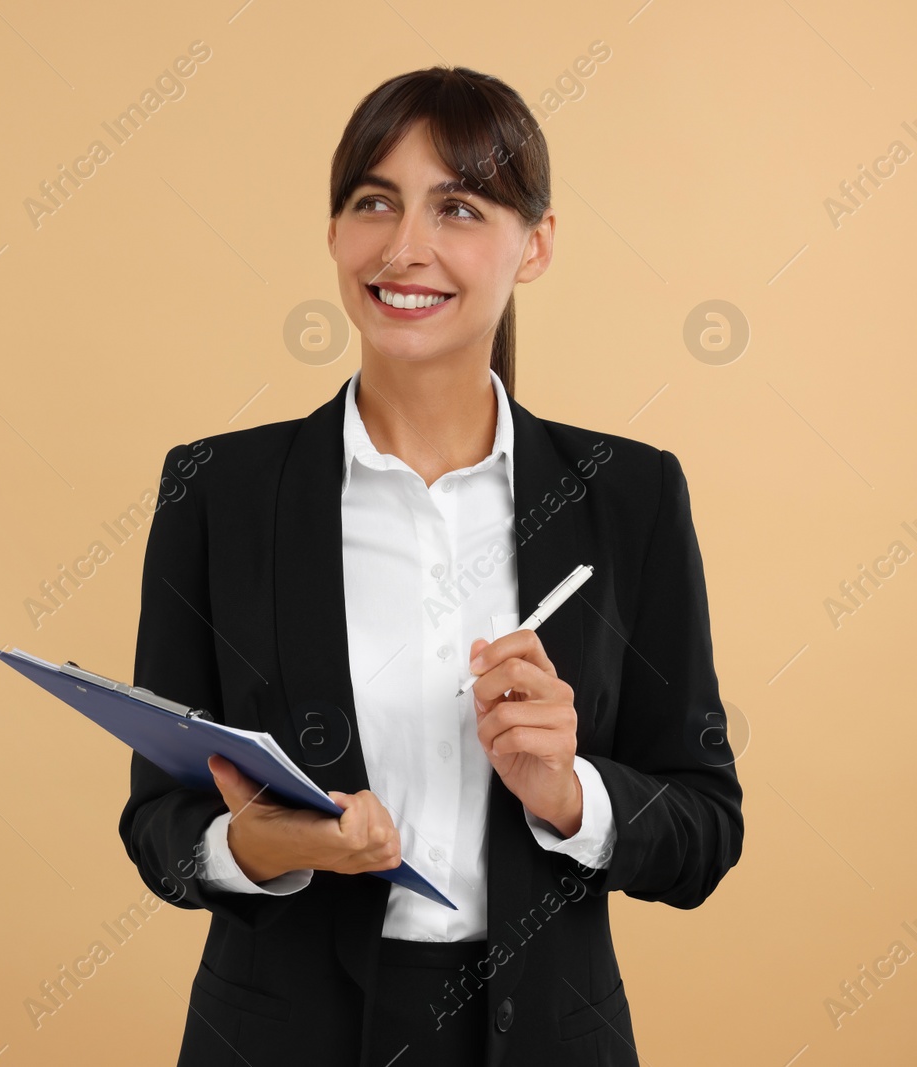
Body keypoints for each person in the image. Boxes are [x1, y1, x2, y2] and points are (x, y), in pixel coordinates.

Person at [117, 65, 744, 1067]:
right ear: (332, 233)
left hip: (545, 1036)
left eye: (458, 206)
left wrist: (569, 791)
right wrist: (264, 847)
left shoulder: (627, 498)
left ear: (533, 244)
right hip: (278, 1035)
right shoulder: (216, 490)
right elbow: (158, 820)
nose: (404, 246)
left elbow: (704, 829)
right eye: (374, 201)